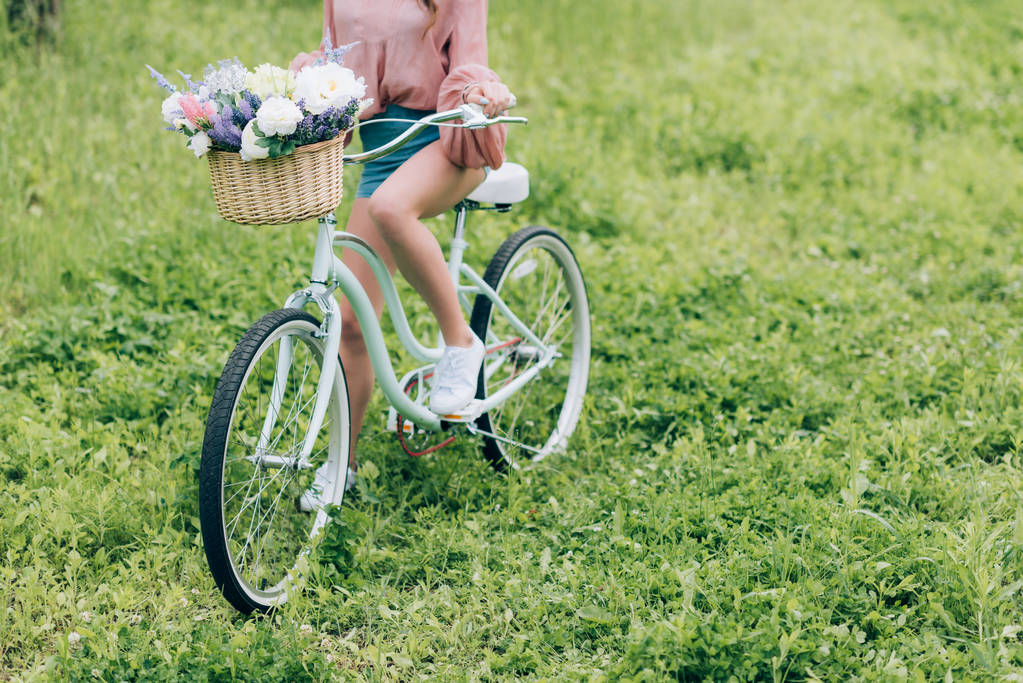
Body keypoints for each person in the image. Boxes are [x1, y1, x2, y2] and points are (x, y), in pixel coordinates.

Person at [291, 0, 513, 507]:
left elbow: (470, 58)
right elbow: (335, 56)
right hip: (381, 144)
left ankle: (461, 343)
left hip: (447, 138)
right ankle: (338, 465)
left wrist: (481, 92)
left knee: (392, 208)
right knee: (349, 321)